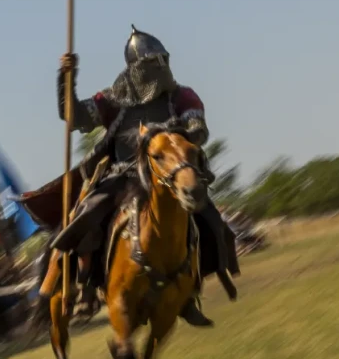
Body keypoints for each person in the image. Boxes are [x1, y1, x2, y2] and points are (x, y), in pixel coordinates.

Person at [48, 26, 240, 325]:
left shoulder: (181, 96)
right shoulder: (112, 99)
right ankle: (85, 288)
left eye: (162, 60)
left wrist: (176, 130)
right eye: (152, 63)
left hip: (169, 177)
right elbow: (74, 117)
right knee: (85, 217)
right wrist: (65, 80)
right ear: (135, 69)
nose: (160, 68)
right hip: (121, 176)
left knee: (212, 223)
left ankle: (189, 292)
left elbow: (197, 128)